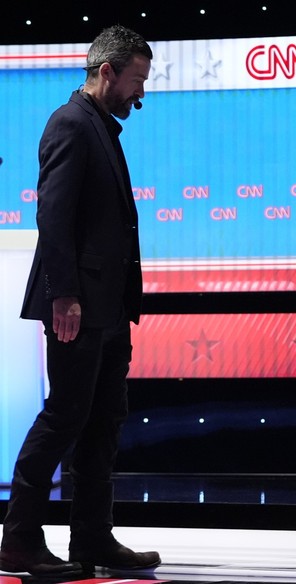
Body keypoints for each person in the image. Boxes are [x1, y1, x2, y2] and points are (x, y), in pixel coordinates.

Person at [0, 25, 161, 577]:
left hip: (109, 307)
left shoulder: (102, 127)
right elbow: (54, 216)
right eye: (136, 80)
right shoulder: (70, 123)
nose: (141, 93)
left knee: (102, 421)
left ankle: (92, 540)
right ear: (106, 72)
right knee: (66, 415)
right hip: (78, 304)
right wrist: (63, 295)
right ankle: (19, 540)